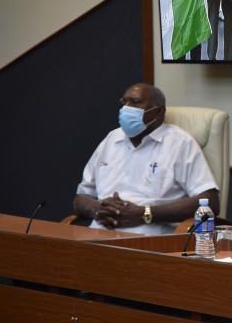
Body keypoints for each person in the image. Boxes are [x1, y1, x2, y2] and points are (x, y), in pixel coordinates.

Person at [73, 83, 219, 235]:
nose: (126, 109)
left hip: (149, 242)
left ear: (159, 111)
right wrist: (99, 209)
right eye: (124, 102)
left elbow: (210, 201)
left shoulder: (180, 143)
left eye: (135, 103)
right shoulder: (112, 138)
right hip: (98, 238)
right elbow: (81, 197)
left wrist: (145, 213)